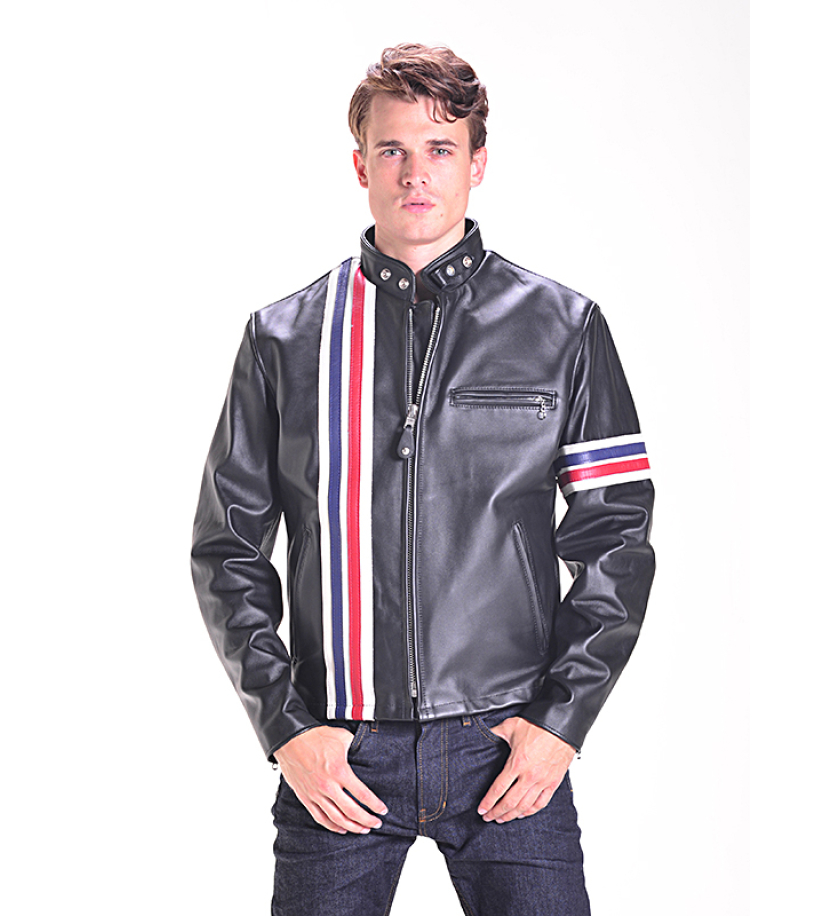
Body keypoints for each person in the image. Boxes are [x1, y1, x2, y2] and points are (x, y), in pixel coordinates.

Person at [191, 42, 655, 916]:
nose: (416, 173)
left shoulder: (564, 327)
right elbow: (227, 549)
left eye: (440, 148)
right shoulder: (284, 338)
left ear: (477, 164)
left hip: (506, 746)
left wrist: (560, 725)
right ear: (360, 165)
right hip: (341, 756)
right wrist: (288, 728)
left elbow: (617, 539)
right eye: (394, 150)